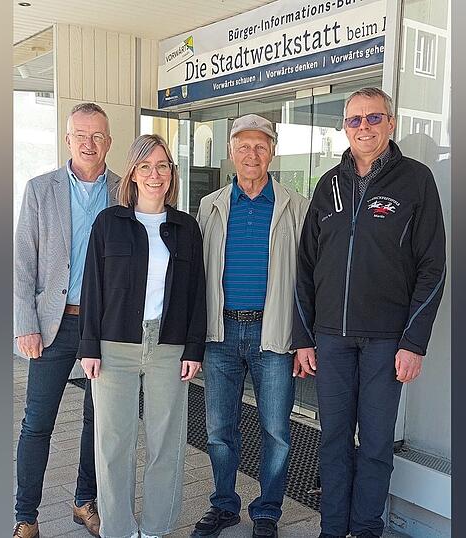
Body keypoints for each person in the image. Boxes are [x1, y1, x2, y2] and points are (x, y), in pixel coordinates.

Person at [292, 87, 446, 538]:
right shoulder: (328, 184)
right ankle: (332, 528)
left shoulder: (415, 181)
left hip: (385, 342)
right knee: (333, 441)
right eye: (355, 120)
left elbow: (433, 266)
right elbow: (305, 266)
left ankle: (365, 531)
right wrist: (304, 337)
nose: (364, 127)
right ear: (345, 126)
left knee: (376, 445)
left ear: (391, 124)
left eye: (373, 118)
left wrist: (413, 342)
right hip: (331, 341)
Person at [78, 134, 207, 538]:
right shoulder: (109, 223)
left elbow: (197, 292)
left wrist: (193, 347)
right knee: (113, 444)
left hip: (168, 346)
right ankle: (117, 529)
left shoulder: (186, 227)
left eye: (163, 166)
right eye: (146, 166)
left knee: (166, 443)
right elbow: (92, 288)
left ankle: (155, 528)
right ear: (133, 173)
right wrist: (89, 347)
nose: (155, 174)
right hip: (114, 346)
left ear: (172, 173)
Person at [190, 114, 309, 538]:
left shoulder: (296, 205)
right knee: (220, 430)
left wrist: (303, 336)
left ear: (272, 152)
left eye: (260, 146)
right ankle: (223, 505)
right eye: (243, 146)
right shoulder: (211, 206)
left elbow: (308, 277)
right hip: (220, 334)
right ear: (231, 153)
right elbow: (197, 272)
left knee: (276, 430)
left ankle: (267, 513)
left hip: (272, 334)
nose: (251, 154)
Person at [13, 102, 118, 538]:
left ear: (109, 141)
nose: (89, 143)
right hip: (54, 323)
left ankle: (84, 502)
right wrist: (25, 323)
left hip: (106, 326)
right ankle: (26, 517)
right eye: (81, 135)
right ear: (68, 139)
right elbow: (23, 262)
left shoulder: (124, 190)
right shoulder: (41, 189)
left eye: (98, 136)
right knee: (38, 422)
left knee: (99, 422)